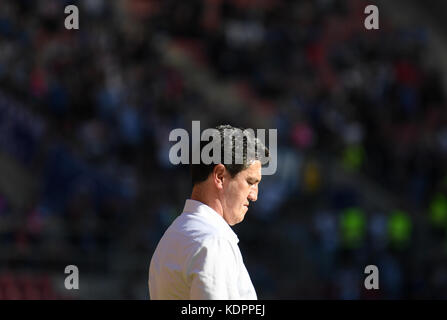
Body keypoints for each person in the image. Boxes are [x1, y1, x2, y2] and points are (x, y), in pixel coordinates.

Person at [149, 124, 269, 299]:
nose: (254, 196)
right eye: (250, 182)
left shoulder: (173, 235)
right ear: (220, 176)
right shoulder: (214, 241)